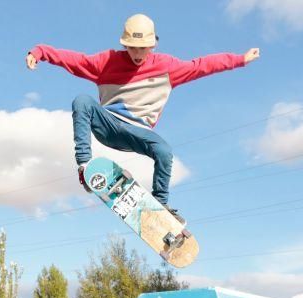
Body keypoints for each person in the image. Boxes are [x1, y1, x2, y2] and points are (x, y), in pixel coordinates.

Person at [26, 14, 260, 216]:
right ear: (125, 44)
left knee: (164, 152)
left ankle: (160, 206)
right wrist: (40, 52)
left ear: (153, 45)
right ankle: (84, 167)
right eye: (132, 48)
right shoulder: (106, 62)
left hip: (138, 133)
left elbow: (202, 65)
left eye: (142, 48)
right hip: (108, 125)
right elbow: (73, 60)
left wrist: (240, 59)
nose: (137, 54)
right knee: (82, 101)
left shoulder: (168, 67)